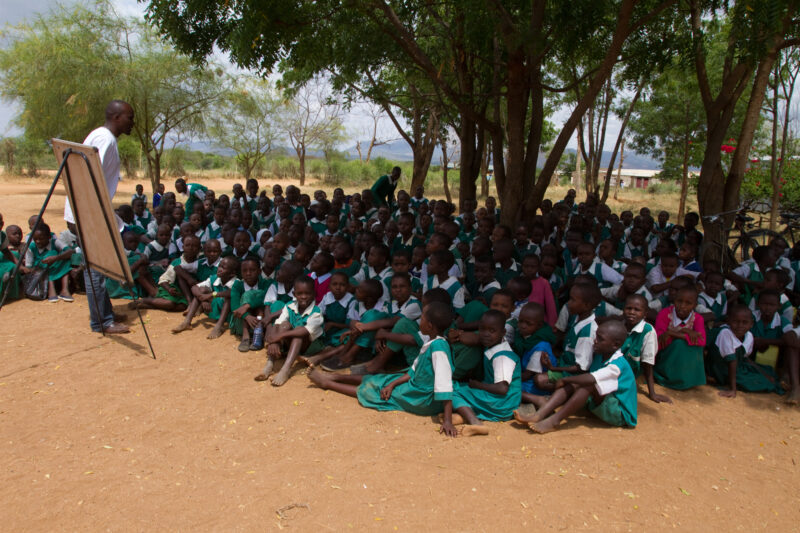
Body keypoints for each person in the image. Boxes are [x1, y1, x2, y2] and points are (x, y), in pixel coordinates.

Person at [308, 301, 458, 437]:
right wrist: (392, 384)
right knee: (383, 380)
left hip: (422, 398)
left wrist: (448, 420)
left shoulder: (439, 347)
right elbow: (413, 371)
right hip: (416, 388)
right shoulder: (432, 343)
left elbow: (444, 384)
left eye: (422, 318)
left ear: (430, 325)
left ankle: (328, 384)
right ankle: (335, 377)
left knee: (376, 393)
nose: (420, 321)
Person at [65, 100, 134, 333]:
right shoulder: (105, 139)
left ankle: (105, 312)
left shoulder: (98, 135)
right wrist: (96, 215)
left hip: (84, 211)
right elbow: (89, 176)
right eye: (129, 117)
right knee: (96, 268)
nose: (132, 121)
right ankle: (101, 322)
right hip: (88, 214)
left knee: (98, 266)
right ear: (116, 117)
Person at [514, 320, 636, 433]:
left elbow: (591, 378)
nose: (595, 340)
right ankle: (539, 415)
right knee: (576, 382)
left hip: (619, 413)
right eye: (596, 336)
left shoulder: (617, 365)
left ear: (615, 345)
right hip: (603, 404)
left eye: (600, 338)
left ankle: (554, 421)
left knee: (587, 385)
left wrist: (564, 379)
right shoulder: (601, 354)